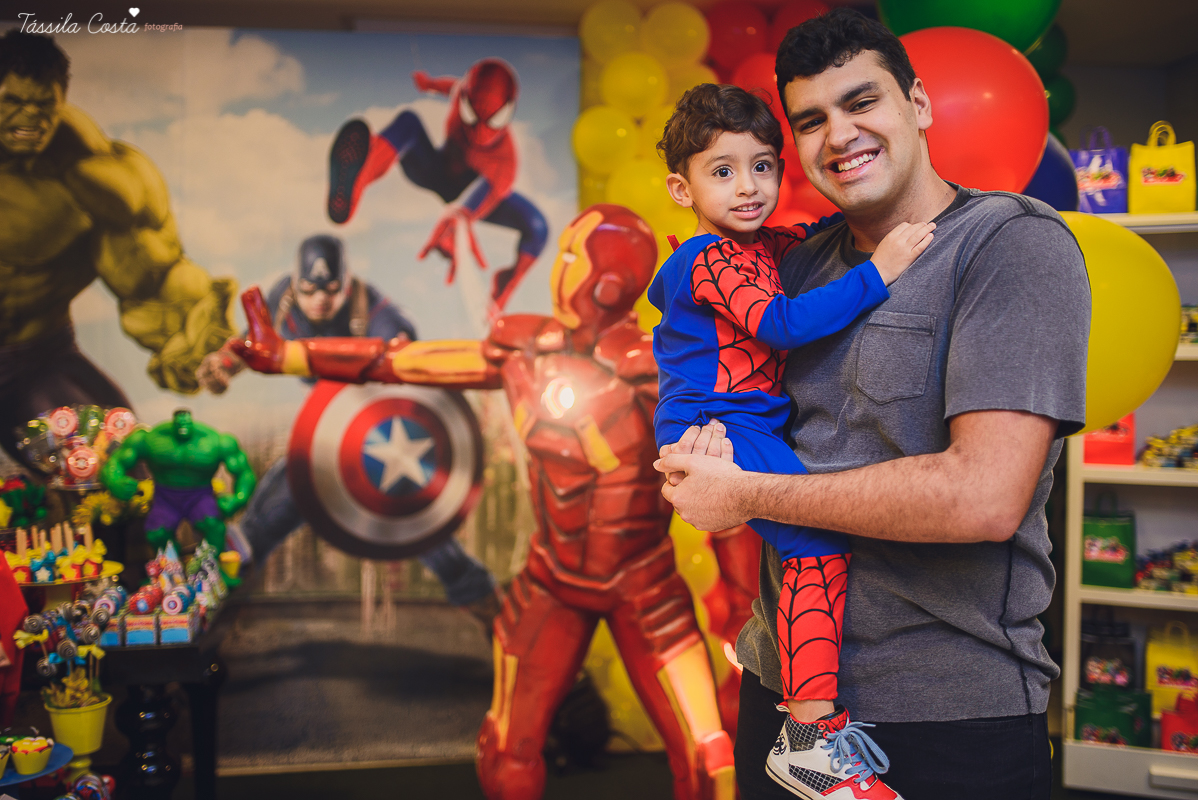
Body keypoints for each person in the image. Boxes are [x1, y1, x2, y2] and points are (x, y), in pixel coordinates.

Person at [654, 9, 1090, 800]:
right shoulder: (793, 257)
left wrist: (746, 492)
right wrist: (699, 468)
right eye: (811, 120)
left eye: (863, 103)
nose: (839, 135)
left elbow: (985, 497)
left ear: (918, 105)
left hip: (947, 714)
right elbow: (723, 385)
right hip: (778, 692)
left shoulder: (1010, 244)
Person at [232, 205, 740, 800]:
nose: (559, 269)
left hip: (645, 586)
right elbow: (397, 362)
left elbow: (737, 455)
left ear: (607, 279)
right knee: (505, 751)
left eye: (572, 255)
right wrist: (288, 356)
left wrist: (711, 311)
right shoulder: (525, 353)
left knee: (712, 761)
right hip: (553, 580)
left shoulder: (665, 366)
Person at [650, 83, 932, 800]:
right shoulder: (710, 258)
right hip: (720, 426)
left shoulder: (761, 243)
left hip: (746, 422)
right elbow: (780, 325)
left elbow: (797, 241)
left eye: (764, 166)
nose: (749, 186)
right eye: (723, 172)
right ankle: (810, 737)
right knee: (815, 547)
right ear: (681, 189)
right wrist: (881, 271)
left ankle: (813, 730)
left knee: (812, 550)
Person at [196, 234, 501, 626]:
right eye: (309, 289)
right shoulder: (283, 300)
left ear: (348, 282)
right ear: (295, 284)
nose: (319, 299)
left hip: (384, 438)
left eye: (331, 289)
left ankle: (500, 624)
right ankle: (201, 622)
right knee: (261, 523)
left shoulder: (378, 314)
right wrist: (225, 362)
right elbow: (253, 341)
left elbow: (411, 371)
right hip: (329, 438)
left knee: (426, 534)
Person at [0, 31, 238, 469]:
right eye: (13, 101)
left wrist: (202, 350)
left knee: (130, 476)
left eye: (44, 107)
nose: (30, 119)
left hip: (37, 359)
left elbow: (156, 276)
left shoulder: (88, 169)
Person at [326, 58, 548, 311]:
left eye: (495, 121)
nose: (480, 132)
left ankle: (503, 293)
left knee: (537, 227)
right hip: (436, 172)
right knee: (408, 121)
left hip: (473, 195)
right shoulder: (459, 93)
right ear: (465, 97)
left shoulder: (506, 160)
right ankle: (359, 178)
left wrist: (461, 217)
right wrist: (429, 84)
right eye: (471, 115)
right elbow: (451, 86)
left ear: (509, 111)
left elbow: (491, 192)